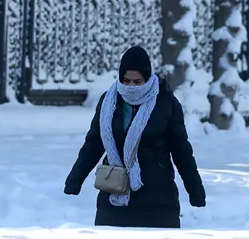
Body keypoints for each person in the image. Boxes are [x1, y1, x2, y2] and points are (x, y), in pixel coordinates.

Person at [63, 45, 206, 228]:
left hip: (156, 198)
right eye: (126, 80)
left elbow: (182, 151)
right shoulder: (109, 102)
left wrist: (195, 191)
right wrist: (75, 180)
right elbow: (93, 144)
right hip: (114, 196)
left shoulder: (165, 103)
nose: (131, 86)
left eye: (137, 82)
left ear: (147, 79)